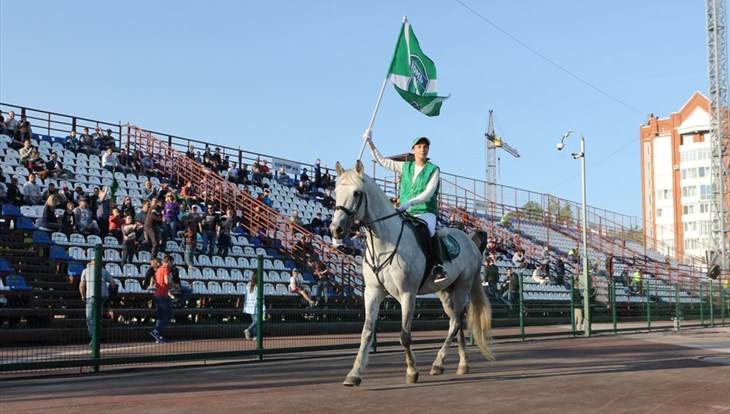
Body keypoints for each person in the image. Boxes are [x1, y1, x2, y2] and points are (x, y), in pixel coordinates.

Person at [366, 132, 447, 282]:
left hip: (425, 211)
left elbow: (428, 193)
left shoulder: (434, 169)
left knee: (429, 230)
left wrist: (410, 203)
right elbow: (383, 162)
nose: (423, 149)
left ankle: (437, 266)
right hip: (405, 210)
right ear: (414, 149)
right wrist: (371, 143)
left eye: (425, 147)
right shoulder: (405, 166)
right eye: (420, 146)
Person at [79, 259, 117, 341]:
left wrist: (83, 295)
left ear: (91, 264)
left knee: (89, 317)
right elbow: (113, 283)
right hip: (103, 296)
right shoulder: (104, 271)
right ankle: (97, 334)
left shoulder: (85, 271)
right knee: (98, 316)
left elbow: (81, 285)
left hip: (91, 295)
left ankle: (93, 336)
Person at [150, 255, 177, 343]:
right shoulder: (165, 268)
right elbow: (167, 281)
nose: (172, 264)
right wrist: (174, 285)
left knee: (160, 316)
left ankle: (158, 335)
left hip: (157, 294)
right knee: (169, 314)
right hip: (162, 295)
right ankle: (156, 331)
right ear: (168, 261)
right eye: (172, 262)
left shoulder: (159, 269)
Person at [243, 276, 265, 341]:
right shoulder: (258, 285)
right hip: (256, 305)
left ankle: (255, 336)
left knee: (255, 321)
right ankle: (248, 330)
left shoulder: (248, 284)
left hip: (250, 306)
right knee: (258, 321)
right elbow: (261, 295)